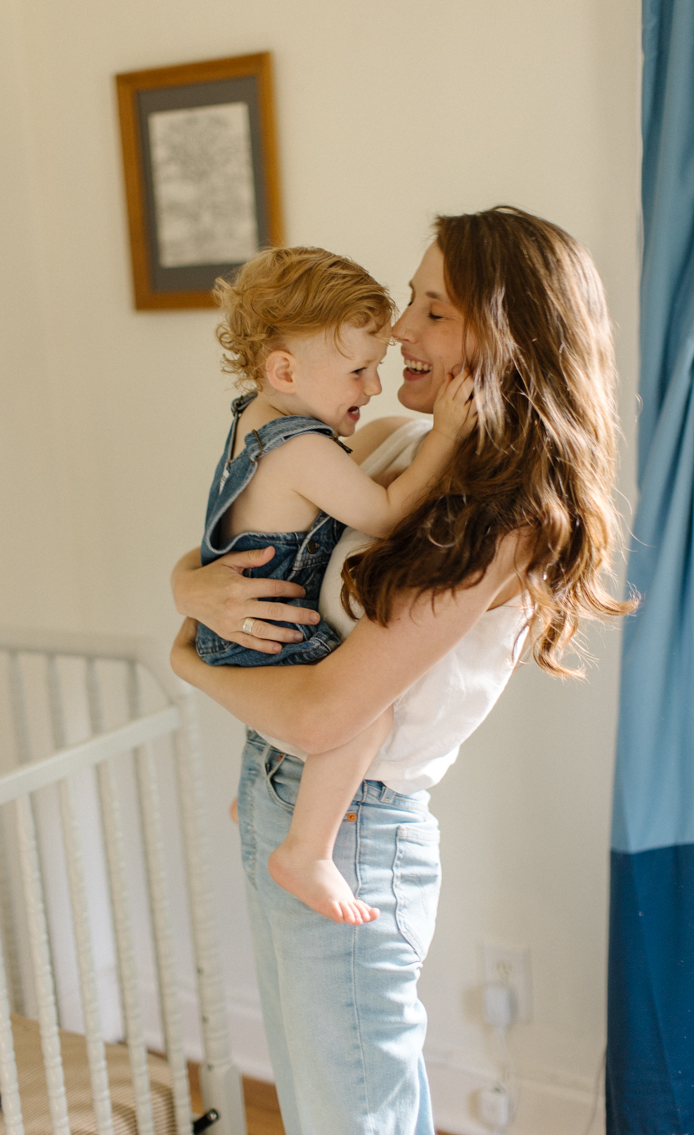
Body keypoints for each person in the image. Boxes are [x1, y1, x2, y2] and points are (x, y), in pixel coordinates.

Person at [171, 207, 630, 1135]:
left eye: (434, 311)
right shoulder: (382, 444)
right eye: (410, 301)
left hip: (351, 832)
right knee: (320, 1108)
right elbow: (254, 544)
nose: (402, 333)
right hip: (275, 796)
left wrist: (182, 656)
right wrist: (187, 582)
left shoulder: (509, 520)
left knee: (355, 1118)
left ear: (507, 338)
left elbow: (322, 714)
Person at [198, 246, 474, 926]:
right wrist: (442, 439)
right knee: (364, 714)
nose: (372, 387)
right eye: (357, 370)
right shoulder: (302, 448)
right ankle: (307, 849)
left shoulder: (256, 423)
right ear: (285, 370)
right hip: (271, 628)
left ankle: (260, 800)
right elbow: (381, 512)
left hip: (239, 625)